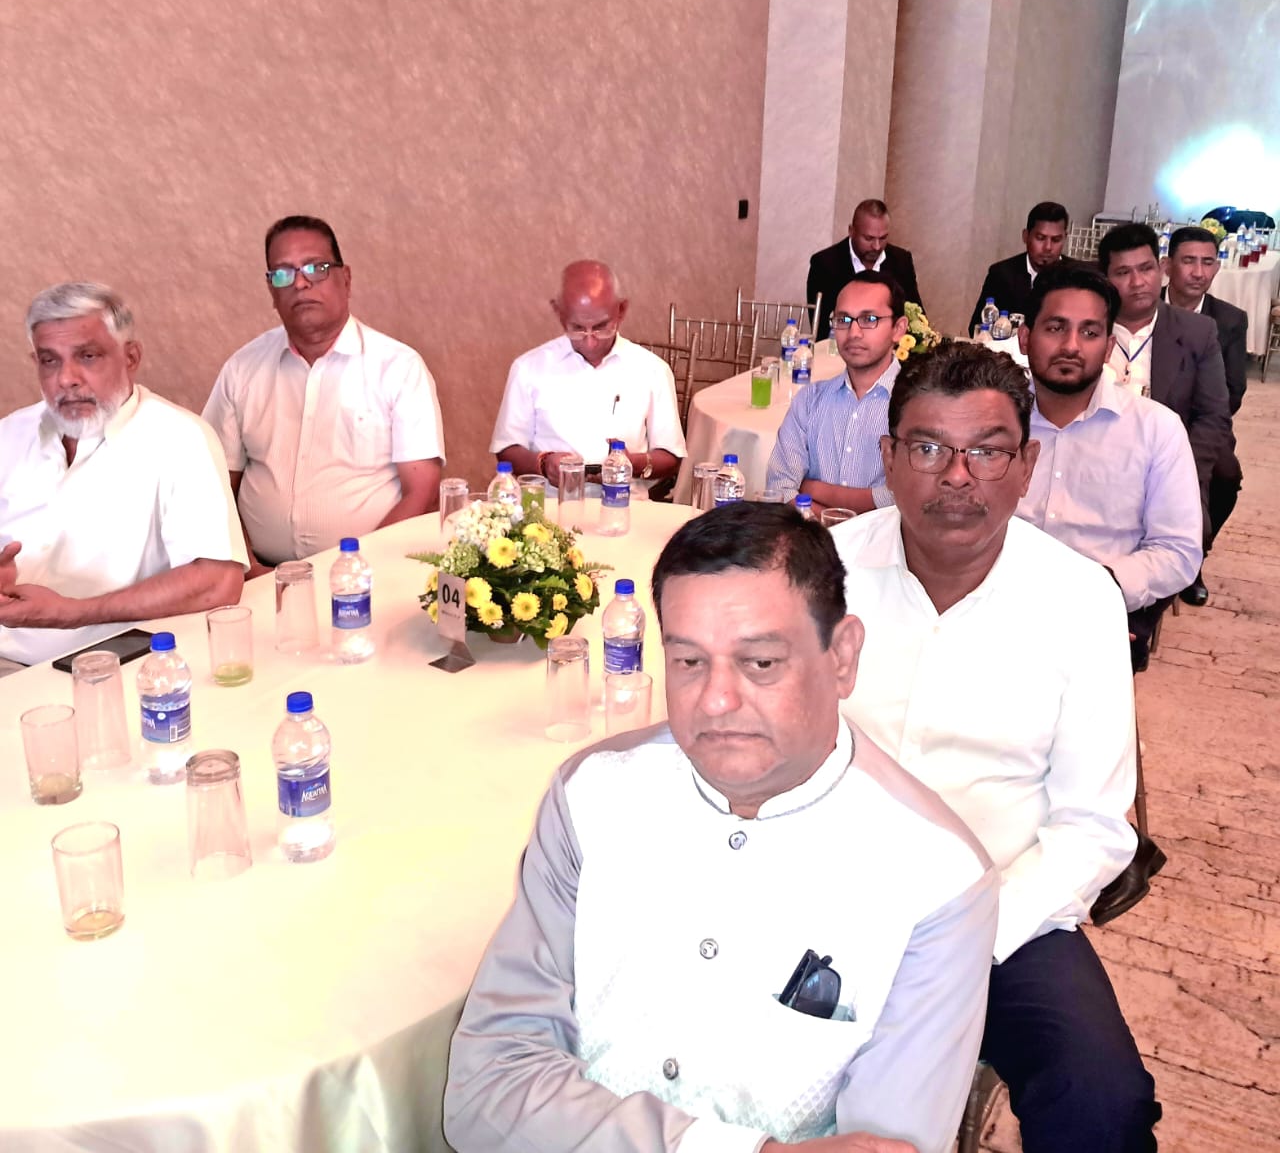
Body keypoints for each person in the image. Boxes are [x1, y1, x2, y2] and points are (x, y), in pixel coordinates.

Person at [446, 502, 999, 1153]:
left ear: (842, 656)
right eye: (688, 662)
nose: (715, 699)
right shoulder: (592, 796)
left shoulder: (938, 879)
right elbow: (488, 1088)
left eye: (760, 663)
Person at [830, 343, 1161, 1153]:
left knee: (1101, 1101)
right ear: (888, 456)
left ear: (1027, 465)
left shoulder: (1079, 599)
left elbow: (1092, 827)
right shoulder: (826, 573)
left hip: (1007, 909)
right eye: (929, 447)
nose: (957, 476)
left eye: (987, 451)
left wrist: (964, 935)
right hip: (824, 893)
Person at [0, 282, 247, 668]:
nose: (66, 378)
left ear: (131, 357)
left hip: (106, 668)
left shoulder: (180, 439)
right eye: (50, 360)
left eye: (87, 356)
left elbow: (217, 583)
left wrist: (72, 612)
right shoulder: (9, 434)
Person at [203, 215, 445, 574]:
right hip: (261, 576)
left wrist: (356, 569)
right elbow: (214, 484)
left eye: (316, 268)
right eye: (282, 274)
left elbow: (421, 492)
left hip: (370, 576)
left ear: (345, 279)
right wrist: (248, 568)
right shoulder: (242, 369)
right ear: (271, 290)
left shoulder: (398, 367)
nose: (300, 283)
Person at [1016, 264, 1202, 671]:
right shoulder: (994, 424)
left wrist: (1100, 589)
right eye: (1055, 328)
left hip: (1098, 618)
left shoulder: (1155, 429)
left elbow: (1178, 551)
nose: (1071, 346)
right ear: (1025, 337)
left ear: (1108, 346)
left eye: (1089, 332)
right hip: (994, 611)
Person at [489, 259, 686, 490]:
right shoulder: (528, 368)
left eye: (601, 327)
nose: (590, 341)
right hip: (549, 503)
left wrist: (633, 464)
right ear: (559, 312)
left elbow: (671, 457)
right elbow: (506, 450)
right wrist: (543, 463)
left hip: (626, 501)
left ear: (621, 310)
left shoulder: (652, 370)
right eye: (578, 328)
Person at [1097, 222, 1232, 558]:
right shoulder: (1089, 327)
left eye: (1146, 269)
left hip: (1167, 460)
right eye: (1123, 272)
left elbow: (1213, 416)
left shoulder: (1198, 331)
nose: (1138, 282)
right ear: (1106, 278)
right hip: (1096, 456)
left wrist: (1180, 474)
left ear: (1161, 269)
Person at [765, 271, 906, 512]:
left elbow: (902, 498)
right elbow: (780, 488)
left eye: (869, 319)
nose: (854, 333)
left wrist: (813, 489)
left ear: (898, 328)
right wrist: (831, 526)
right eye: (843, 319)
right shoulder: (810, 400)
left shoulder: (915, 405)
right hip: (814, 534)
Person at [1162, 225, 1248, 605]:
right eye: (1189, 261)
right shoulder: (1144, 307)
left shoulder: (1229, 320)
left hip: (1201, 423)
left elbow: (1233, 391)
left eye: (1207, 263)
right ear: (1167, 265)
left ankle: (1194, 555)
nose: (1199, 272)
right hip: (1146, 414)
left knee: (1226, 476)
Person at [807, 199, 924, 341]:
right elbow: (821, 329)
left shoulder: (901, 260)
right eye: (869, 238)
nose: (877, 246)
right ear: (851, 231)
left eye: (883, 238)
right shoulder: (824, 264)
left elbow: (917, 316)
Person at [967, 201, 1072, 336]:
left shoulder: (1079, 277)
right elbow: (977, 328)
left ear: (1065, 238)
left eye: (1056, 240)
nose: (1048, 247)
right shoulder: (1001, 275)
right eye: (1040, 238)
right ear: (1026, 236)